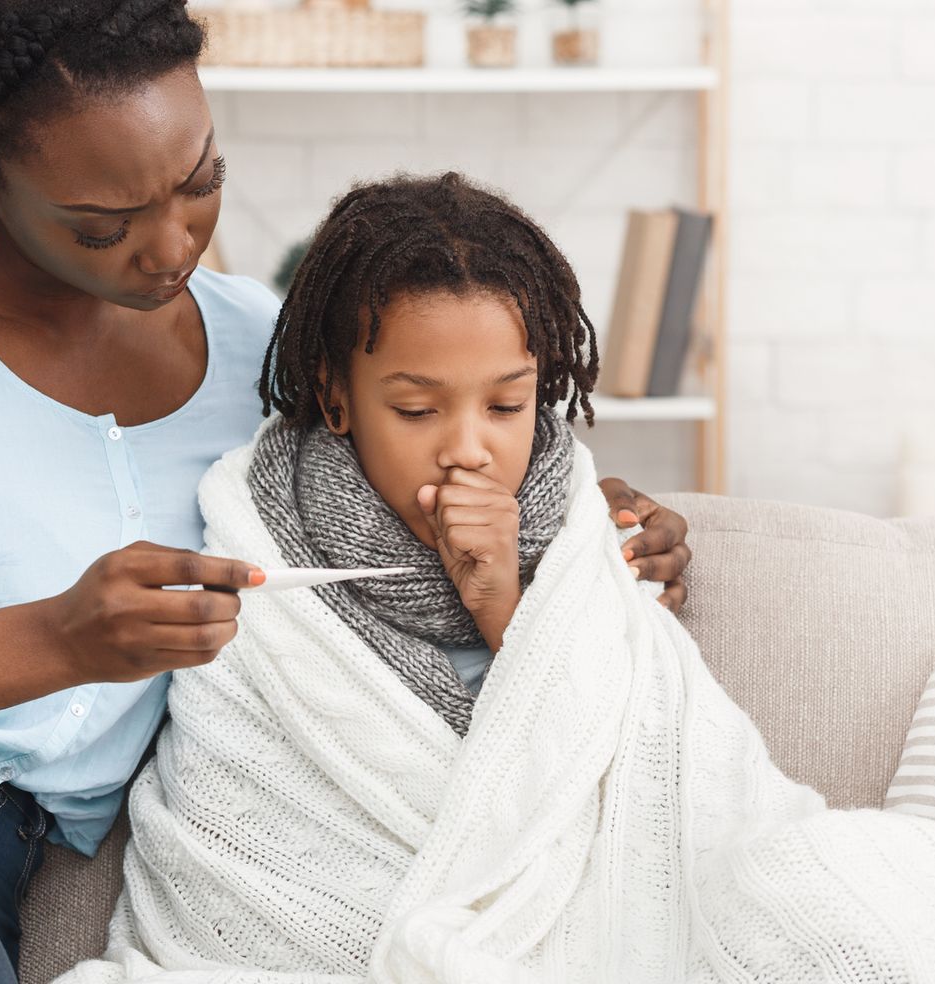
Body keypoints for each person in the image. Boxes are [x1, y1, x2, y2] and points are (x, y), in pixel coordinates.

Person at [0, 3, 691, 982]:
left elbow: (421, 477)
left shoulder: (268, 352)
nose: (170, 248)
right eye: (102, 225)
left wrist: (578, 518)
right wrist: (56, 637)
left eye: (200, 183)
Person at [58, 173, 935, 984]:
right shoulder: (254, 539)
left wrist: (499, 601)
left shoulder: (585, 531)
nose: (469, 445)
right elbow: (246, 820)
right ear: (335, 397)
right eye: (415, 409)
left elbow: (648, 782)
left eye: (506, 405)